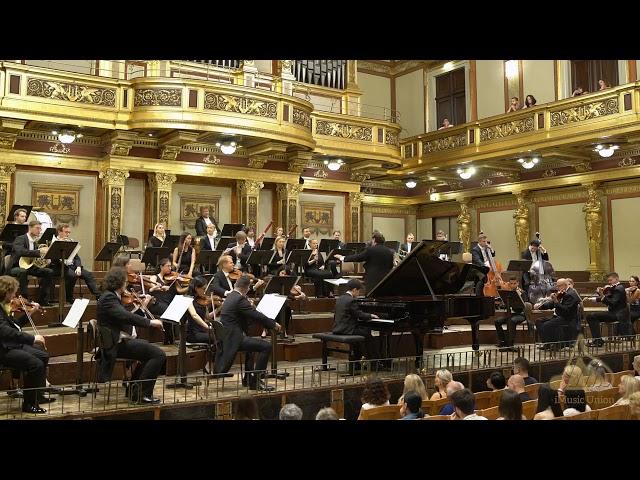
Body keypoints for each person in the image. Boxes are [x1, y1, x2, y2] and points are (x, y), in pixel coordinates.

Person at [96, 267, 166, 404]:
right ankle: (142, 394)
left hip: (116, 341)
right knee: (158, 354)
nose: (127, 284)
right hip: (114, 345)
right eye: (125, 281)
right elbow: (124, 316)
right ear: (120, 282)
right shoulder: (109, 297)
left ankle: (135, 390)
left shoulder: (110, 296)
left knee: (147, 349)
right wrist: (150, 322)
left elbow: (125, 316)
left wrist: (142, 307)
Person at [213, 274, 281, 391]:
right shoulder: (239, 299)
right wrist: (273, 324)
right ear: (246, 288)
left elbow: (246, 315)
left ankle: (248, 378)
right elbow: (255, 316)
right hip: (235, 339)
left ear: (236, 285)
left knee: (251, 347)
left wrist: (250, 306)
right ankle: (255, 381)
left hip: (229, 336)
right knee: (266, 346)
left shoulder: (231, 296)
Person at [0, 275, 53, 414]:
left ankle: (37, 396)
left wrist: (32, 313)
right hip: (3, 349)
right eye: (12, 292)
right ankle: (29, 404)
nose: (14, 296)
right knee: (35, 364)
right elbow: (5, 332)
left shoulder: (3, 306)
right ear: (6, 292)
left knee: (42, 355)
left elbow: (15, 326)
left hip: (10, 344)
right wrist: (32, 338)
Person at [332, 278, 381, 363]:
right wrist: (370, 315)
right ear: (354, 290)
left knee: (364, 332)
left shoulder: (340, 298)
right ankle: (374, 360)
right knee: (367, 334)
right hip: (347, 329)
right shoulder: (351, 300)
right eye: (358, 291)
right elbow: (359, 314)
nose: (358, 294)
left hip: (338, 328)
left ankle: (360, 359)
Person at [9, 220, 54, 306]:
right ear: (30, 228)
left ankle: (42, 299)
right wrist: (38, 252)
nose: (39, 231)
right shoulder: (20, 238)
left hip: (30, 266)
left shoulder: (36, 241)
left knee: (49, 272)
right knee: (23, 271)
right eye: (37, 228)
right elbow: (20, 252)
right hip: (16, 266)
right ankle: (24, 299)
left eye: (40, 229)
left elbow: (37, 255)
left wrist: (45, 258)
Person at [52, 223, 100, 303]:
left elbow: (77, 257)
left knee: (88, 274)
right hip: (61, 266)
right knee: (72, 276)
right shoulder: (54, 243)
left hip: (73, 266)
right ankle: (69, 298)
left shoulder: (71, 242)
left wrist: (78, 267)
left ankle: (99, 296)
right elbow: (54, 259)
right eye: (66, 232)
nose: (68, 234)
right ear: (59, 232)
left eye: (69, 232)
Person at [535, 278, 580, 349]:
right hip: (559, 316)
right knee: (539, 321)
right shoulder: (562, 292)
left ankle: (556, 345)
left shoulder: (571, 294)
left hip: (567, 318)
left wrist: (556, 301)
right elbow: (552, 304)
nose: (557, 288)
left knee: (547, 325)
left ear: (565, 285)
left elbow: (566, 310)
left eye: (559, 286)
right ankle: (547, 344)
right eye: (557, 286)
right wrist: (540, 306)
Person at [587, 272, 630, 347]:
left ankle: (598, 341)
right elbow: (607, 297)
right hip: (614, 312)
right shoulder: (615, 288)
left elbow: (612, 302)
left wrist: (602, 294)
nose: (609, 282)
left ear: (616, 279)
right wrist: (592, 299)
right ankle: (598, 340)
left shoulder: (618, 289)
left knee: (591, 316)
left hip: (617, 314)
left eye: (610, 280)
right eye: (608, 281)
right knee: (592, 316)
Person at [495, 277, 528, 350]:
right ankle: (503, 341)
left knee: (512, 321)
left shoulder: (522, 292)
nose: (513, 285)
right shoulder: (508, 292)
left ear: (518, 283)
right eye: (511, 283)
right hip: (511, 314)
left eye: (514, 283)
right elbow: (506, 304)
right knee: (497, 321)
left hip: (521, 314)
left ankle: (510, 344)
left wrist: (518, 298)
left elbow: (524, 305)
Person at [521, 238, 551, 304]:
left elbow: (546, 259)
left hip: (536, 273)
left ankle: (538, 300)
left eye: (536, 248)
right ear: (531, 245)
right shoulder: (525, 253)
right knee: (527, 284)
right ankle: (527, 301)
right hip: (527, 272)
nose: (534, 249)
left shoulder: (538, 252)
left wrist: (544, 250)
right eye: (533, 247)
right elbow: (525, 265)